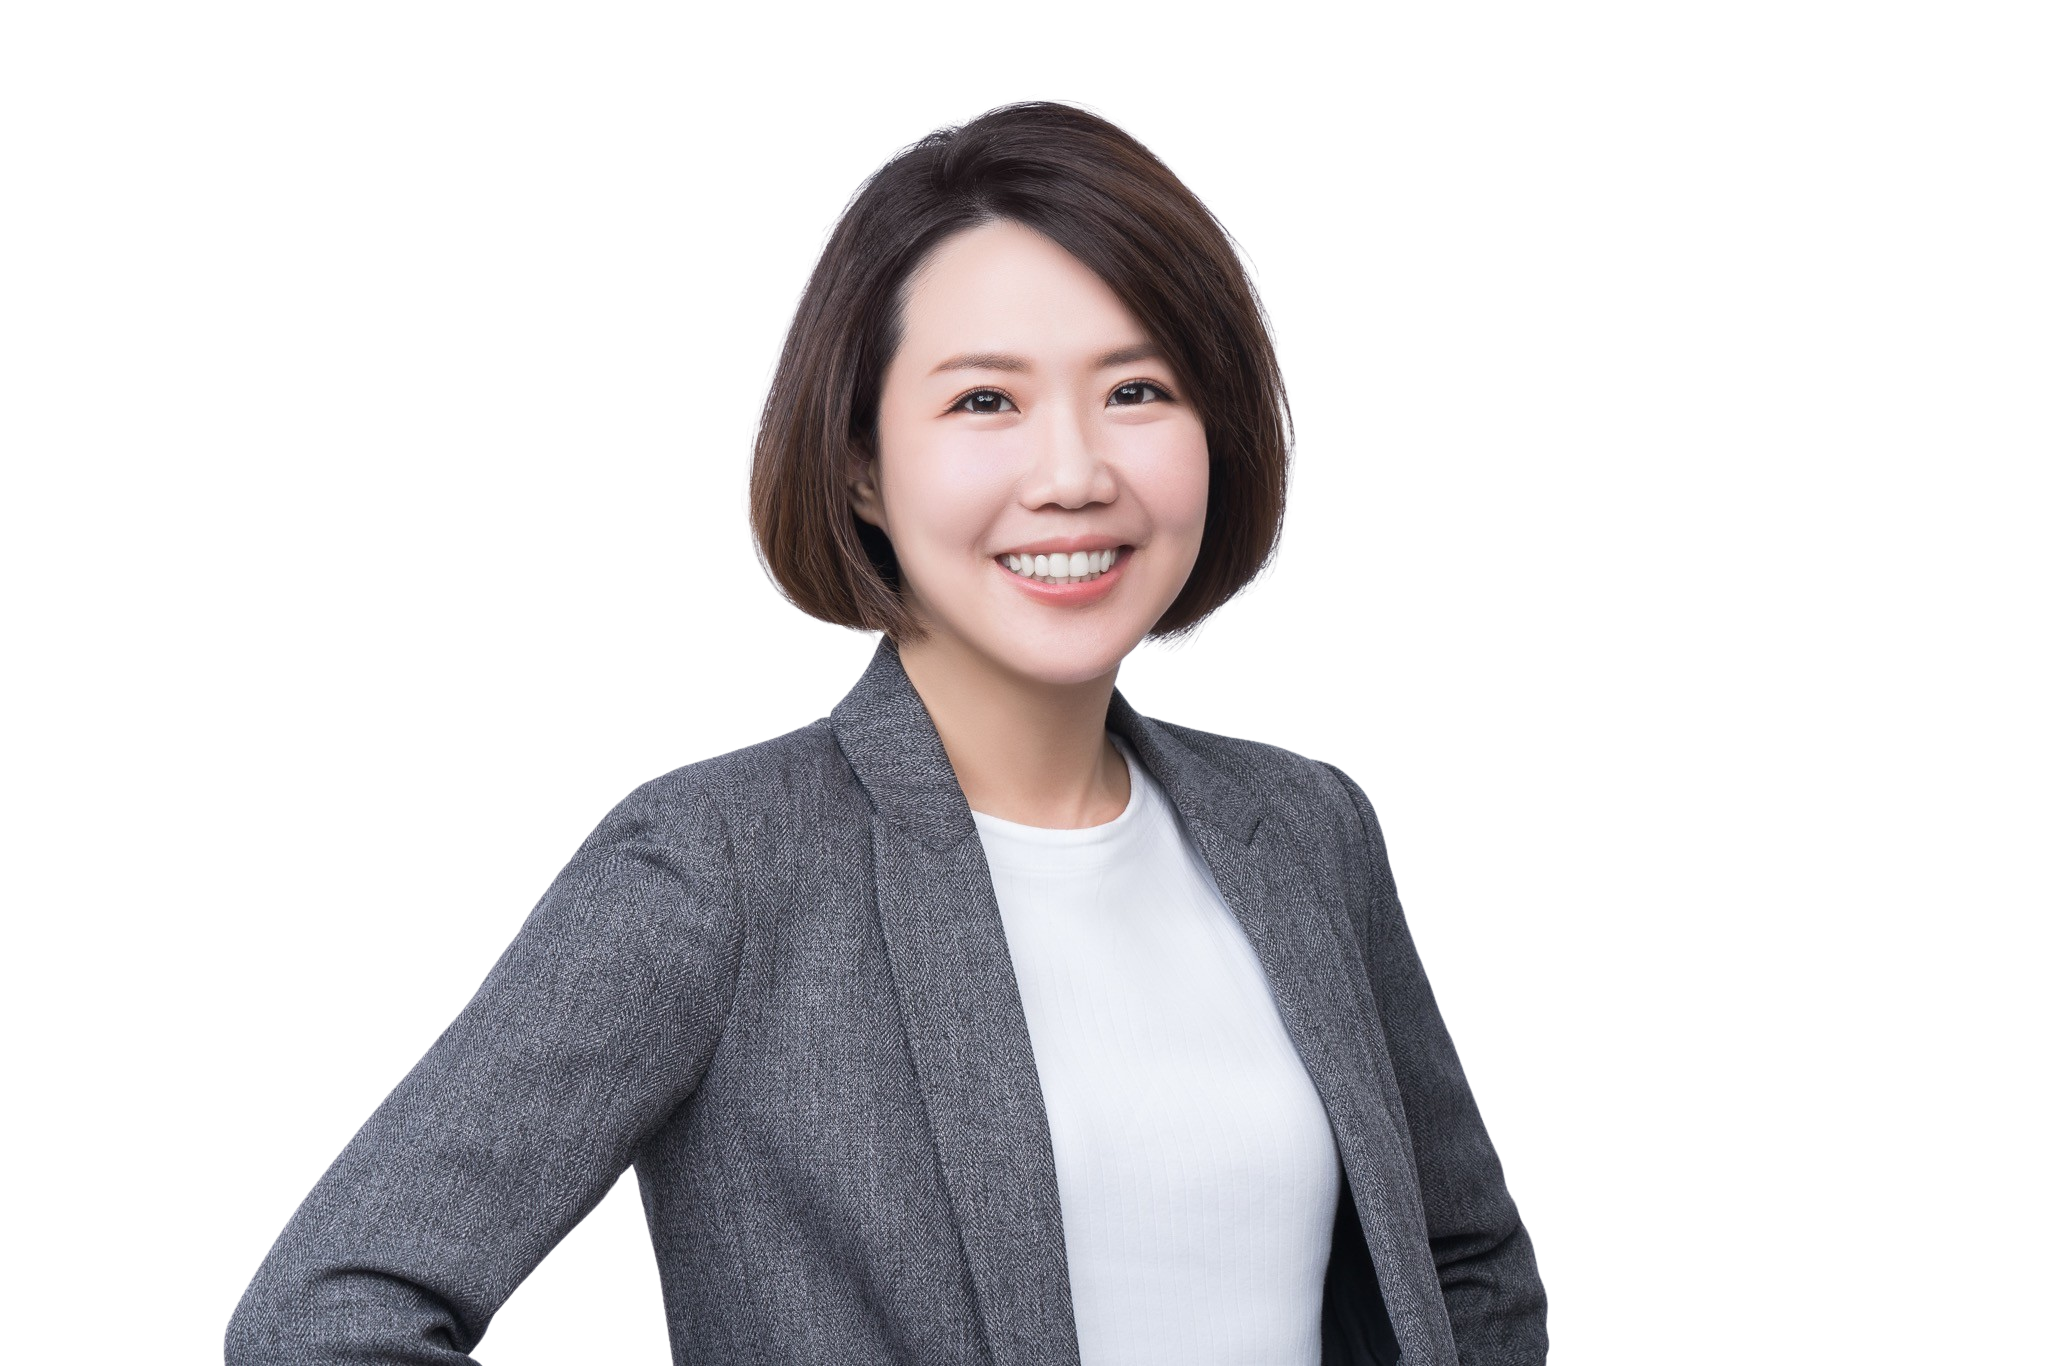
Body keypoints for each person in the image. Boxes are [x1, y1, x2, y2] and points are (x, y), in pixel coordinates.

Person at [225, 96, 1547, 1365]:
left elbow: (1470, 1268)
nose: (1074, 473)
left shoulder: (1309, 827)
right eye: (985, 401)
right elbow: (326, 1313)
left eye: (1139, 389)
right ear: (861, 462)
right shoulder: (716, 862)